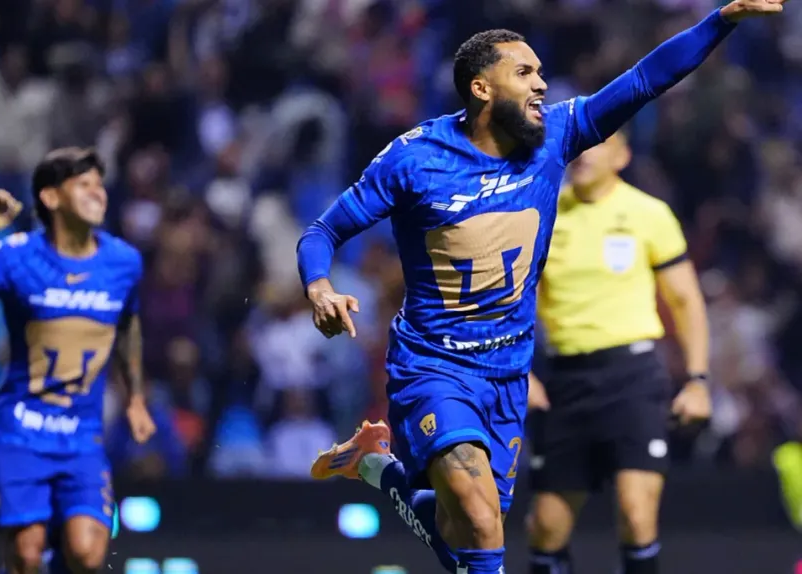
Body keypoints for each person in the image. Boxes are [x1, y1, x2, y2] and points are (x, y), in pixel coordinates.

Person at [296, 3, 784, 573]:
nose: (541, 84)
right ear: (481, 88)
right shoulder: (414, 159)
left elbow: (646, 80)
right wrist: (320, 286)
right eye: (524, 72)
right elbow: (324, 230)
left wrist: (721, 19)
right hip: (434, 366)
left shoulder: (557, 135)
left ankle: (377, 468)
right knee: (480, 520)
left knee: (467, 535)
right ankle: (386, 469)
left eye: (540, 73)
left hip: (507, 371)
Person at [0, 147, 156, 574]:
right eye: (84, 184)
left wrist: (135, 397)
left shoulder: (123, 262)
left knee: (87, 553)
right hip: (21, 431)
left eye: (99, 184)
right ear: (51, 197)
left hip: (83, 434)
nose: (98, 193)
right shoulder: (15, 256)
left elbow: (128, 327)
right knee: (26, 553)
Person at [525, 132, 710, 574]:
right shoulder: (541, 213)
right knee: (546, 527)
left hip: (632, 377)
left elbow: (685, 300)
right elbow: (513, 304)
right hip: (564, 380)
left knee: (636, 513)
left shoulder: (649, 214)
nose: (582, 154)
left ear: (622, 156)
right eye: (578, 144)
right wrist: (520, 372)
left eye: (596, 144)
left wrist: (698, 381)